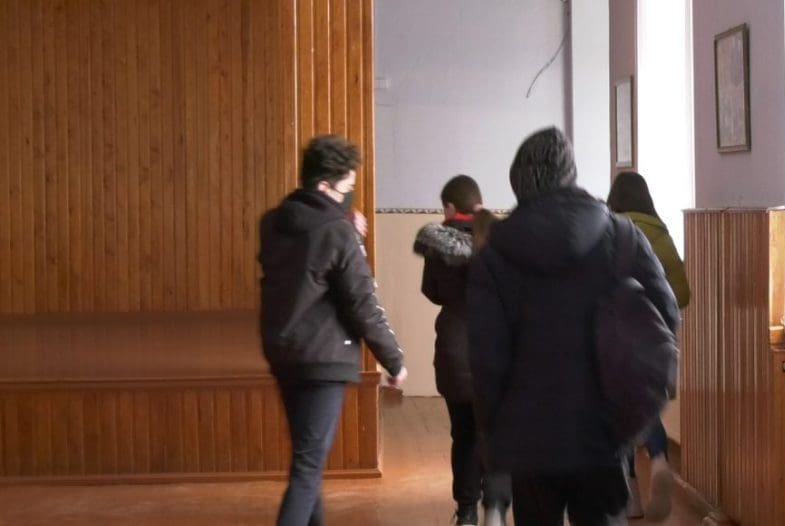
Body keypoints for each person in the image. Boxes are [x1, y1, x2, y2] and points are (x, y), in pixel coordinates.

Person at [467, 127, 679, 526]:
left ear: (518, 184)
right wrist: (639, 403)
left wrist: (492, 443)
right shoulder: (622, 236)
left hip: (528, 438)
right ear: (571, 174)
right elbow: (666, 314)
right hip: (603, 432)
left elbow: (485, 360)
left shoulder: (494, 255)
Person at [259, 134, 408, 526]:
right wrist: (394, 360)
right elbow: (361, 301)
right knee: (307, 468)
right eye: (347, 188)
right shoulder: (338, 232)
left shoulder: (273, 224)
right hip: (324, 358)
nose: (349, 196)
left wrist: (343, 228)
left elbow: (308, 270)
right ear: (325, 186)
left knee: (307, 460)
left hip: (283, 352)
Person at [413, 175, 511, 526]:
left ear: (451, 207)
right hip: (497, 352)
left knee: (464, 435)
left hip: (455, 351)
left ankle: (467, 512)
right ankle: (496, 509)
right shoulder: (504, 241)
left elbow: (432, 292)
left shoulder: (438, 244)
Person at [607, 170, 691, 521]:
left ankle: (631, 495)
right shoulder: (661, 233)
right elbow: (682, 293)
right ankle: (658, 459)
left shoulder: (610, 232)